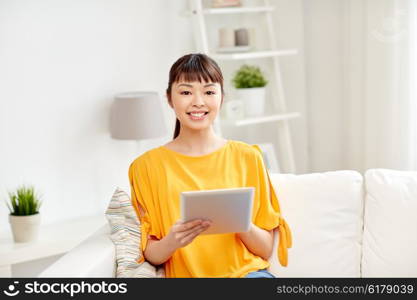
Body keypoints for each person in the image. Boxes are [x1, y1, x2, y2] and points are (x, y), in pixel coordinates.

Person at [128, 53, 292, 278]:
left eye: (209, 92)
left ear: (222, 98)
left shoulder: (248, 157)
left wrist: (240, 222)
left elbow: (264, 249)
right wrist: (172, 241)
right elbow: (152, 254)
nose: (198, 101)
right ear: (169, 99)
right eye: (186, 92)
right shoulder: (146, 167)